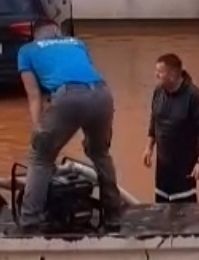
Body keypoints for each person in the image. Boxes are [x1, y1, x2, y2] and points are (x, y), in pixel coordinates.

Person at [17, 20, 124, 231]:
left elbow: (34, 96)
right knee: (100, 153)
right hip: (103, 94)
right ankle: (113, 216)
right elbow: (84, 73)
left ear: (35, 35)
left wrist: (39, 129)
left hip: (68, 97)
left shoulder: (27, 50)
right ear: (58, 32)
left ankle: (30, 220)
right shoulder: (77, 43)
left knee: (40, 158)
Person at [142, 53, 199, 204]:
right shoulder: (158, 92)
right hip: (162, 165)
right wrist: (149, 147)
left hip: (184, 165)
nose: (156, 75)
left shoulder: (194, 96)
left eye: (160, 72)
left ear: (173, 74)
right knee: (161, 207)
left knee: (184, 212)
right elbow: (154, 119)